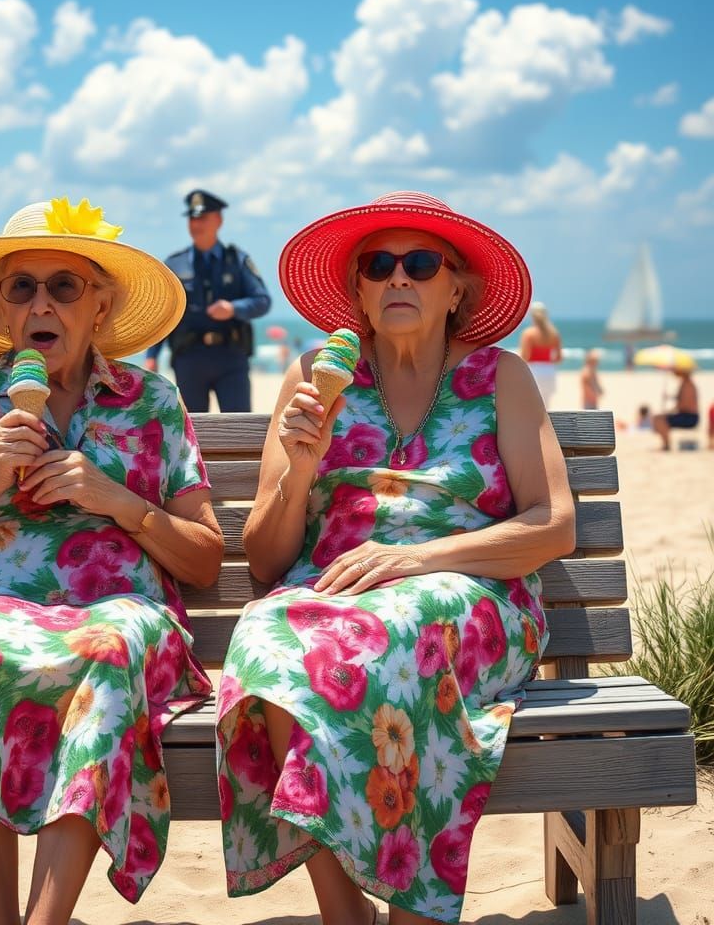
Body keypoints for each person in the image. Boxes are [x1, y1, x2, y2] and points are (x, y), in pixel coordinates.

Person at [216, 192, 575, 925]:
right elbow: (263, 558)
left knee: (400, 627)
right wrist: (299, 468)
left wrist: (424, 559)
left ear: (456, 290)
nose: (398, 280)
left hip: (469, 594)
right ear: (358, 292)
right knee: (262, 640)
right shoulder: (316, 377)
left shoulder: (500, 378)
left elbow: (555, 525)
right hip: (334, 595)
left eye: (420, 264)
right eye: (379, 266)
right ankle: (345, 915)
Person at [0, 197, 223, 925]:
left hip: (113, 620)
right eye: (22, 287)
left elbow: (203, 562)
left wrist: (116, 500)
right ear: (2, 309)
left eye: (65, 286)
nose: (43, 302)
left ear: (99, 306)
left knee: (109, 642)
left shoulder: (151, 402)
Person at [144, 190, 271, 412]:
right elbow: (163, 312)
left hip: (231, 358)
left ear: (218, 220)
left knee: (238, 430)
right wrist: (151, 356)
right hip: (189, 359)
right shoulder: (175, 265)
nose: (196, 223)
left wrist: (233, 308)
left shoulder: (237, 261)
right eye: (192, 218)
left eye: (202, 217)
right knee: (194, 433)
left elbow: (262, 301)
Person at [519, 300, 562, 408]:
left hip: (534, 370)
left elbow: (525, 357)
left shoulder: (528, 334)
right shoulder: (554, 333)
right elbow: (558, 358)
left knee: (532, 406)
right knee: (546, 405)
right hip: (549, 370)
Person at [652, 365, 699, 451]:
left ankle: (666, 445)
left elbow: (683, 405)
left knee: (659, 419)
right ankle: (666, 444)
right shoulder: (685, 383)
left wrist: (669, 411)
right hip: (687, 415)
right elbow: (681, 401)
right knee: (658, 418)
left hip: (689, 417)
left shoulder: (688, 385)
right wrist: (669, 397)